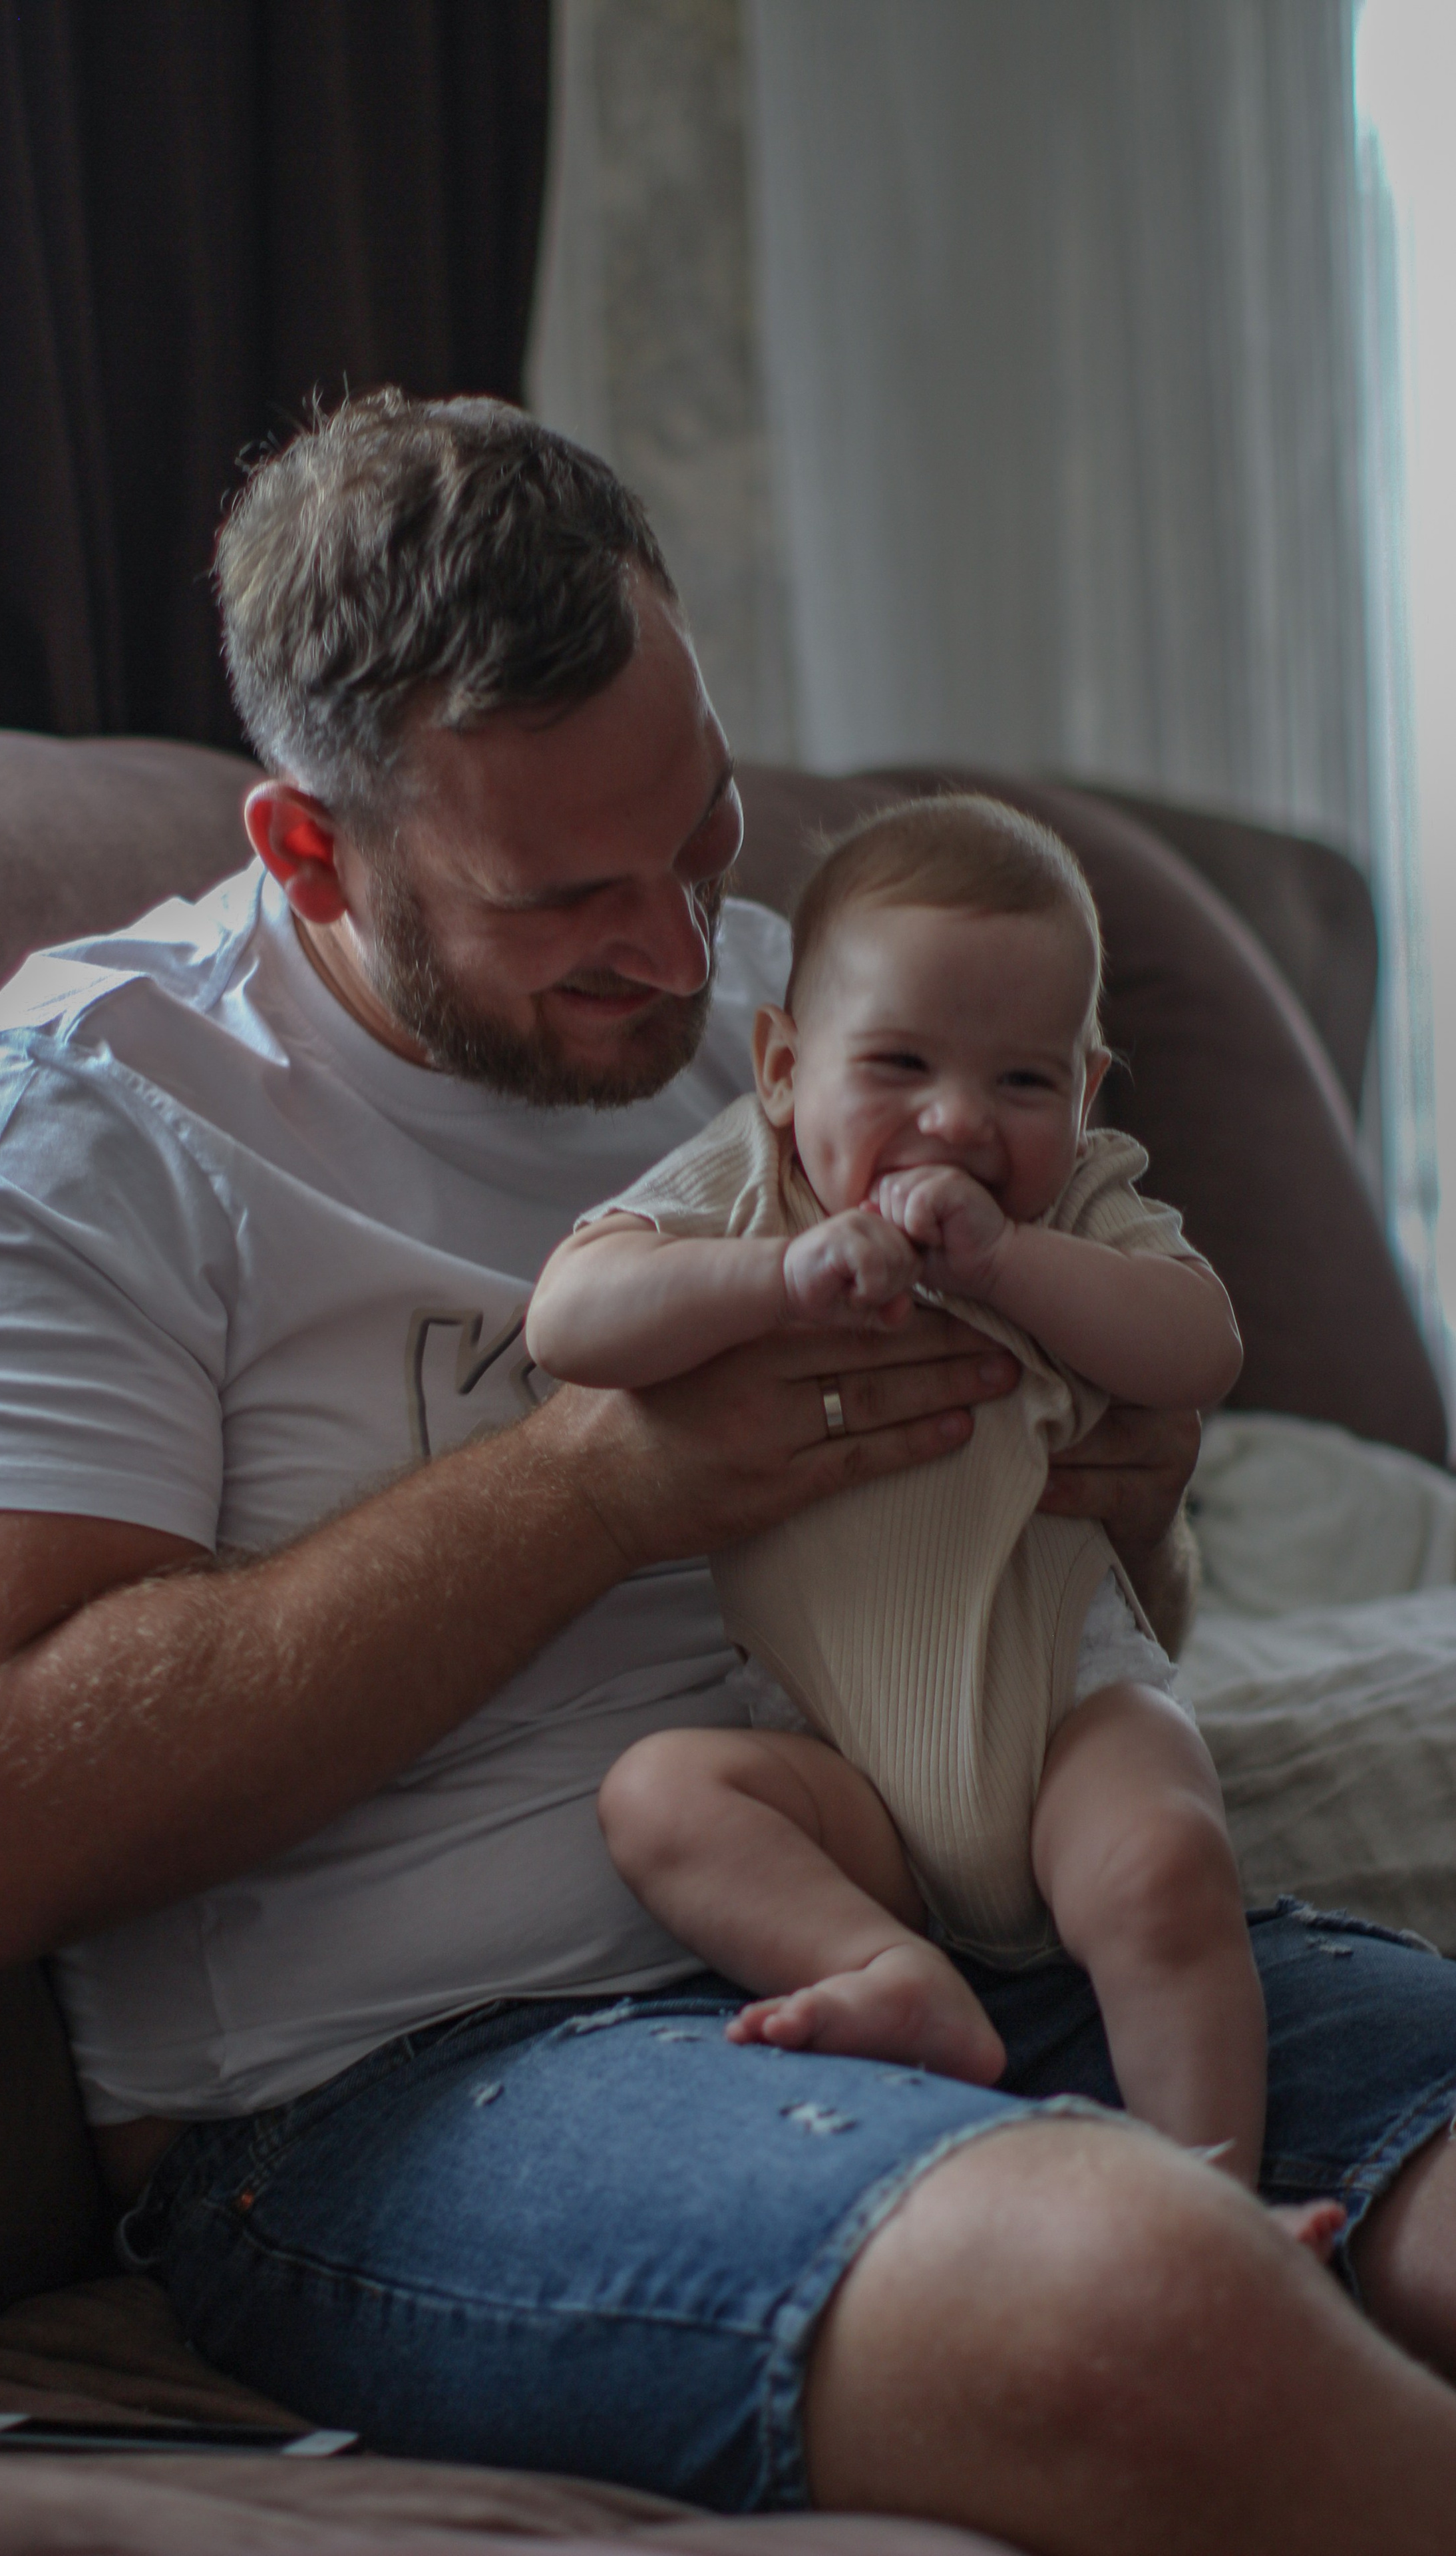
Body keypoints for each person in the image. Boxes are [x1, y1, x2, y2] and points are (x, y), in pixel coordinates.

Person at [0, 391, 1456, 2554]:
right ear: (313, 849)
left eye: (705, 838)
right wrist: (596, 1490)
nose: (683, 960)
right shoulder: (72, 1137)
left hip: (980, 1906)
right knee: (1136, 2308)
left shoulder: (814, 1021)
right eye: (571, 900)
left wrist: (1125, 1492)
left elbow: (1086, 1598)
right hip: (409, 2089)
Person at [528, 796, 1283, 2204]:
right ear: (777, 1069)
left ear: (1087, 1089)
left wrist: (1005, 1267)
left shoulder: (1076, 1213)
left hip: (1063, 1716)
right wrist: (771, 1283)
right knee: (662, 1799)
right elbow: (569, 1319)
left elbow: (1201, 1346)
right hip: (839, 1773)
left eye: (1020, 1084)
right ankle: (888, 1970)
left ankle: (1212, 2197)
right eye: (895, 1065)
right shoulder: (752, 1196)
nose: (955, 1120)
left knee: (1163, 1864)